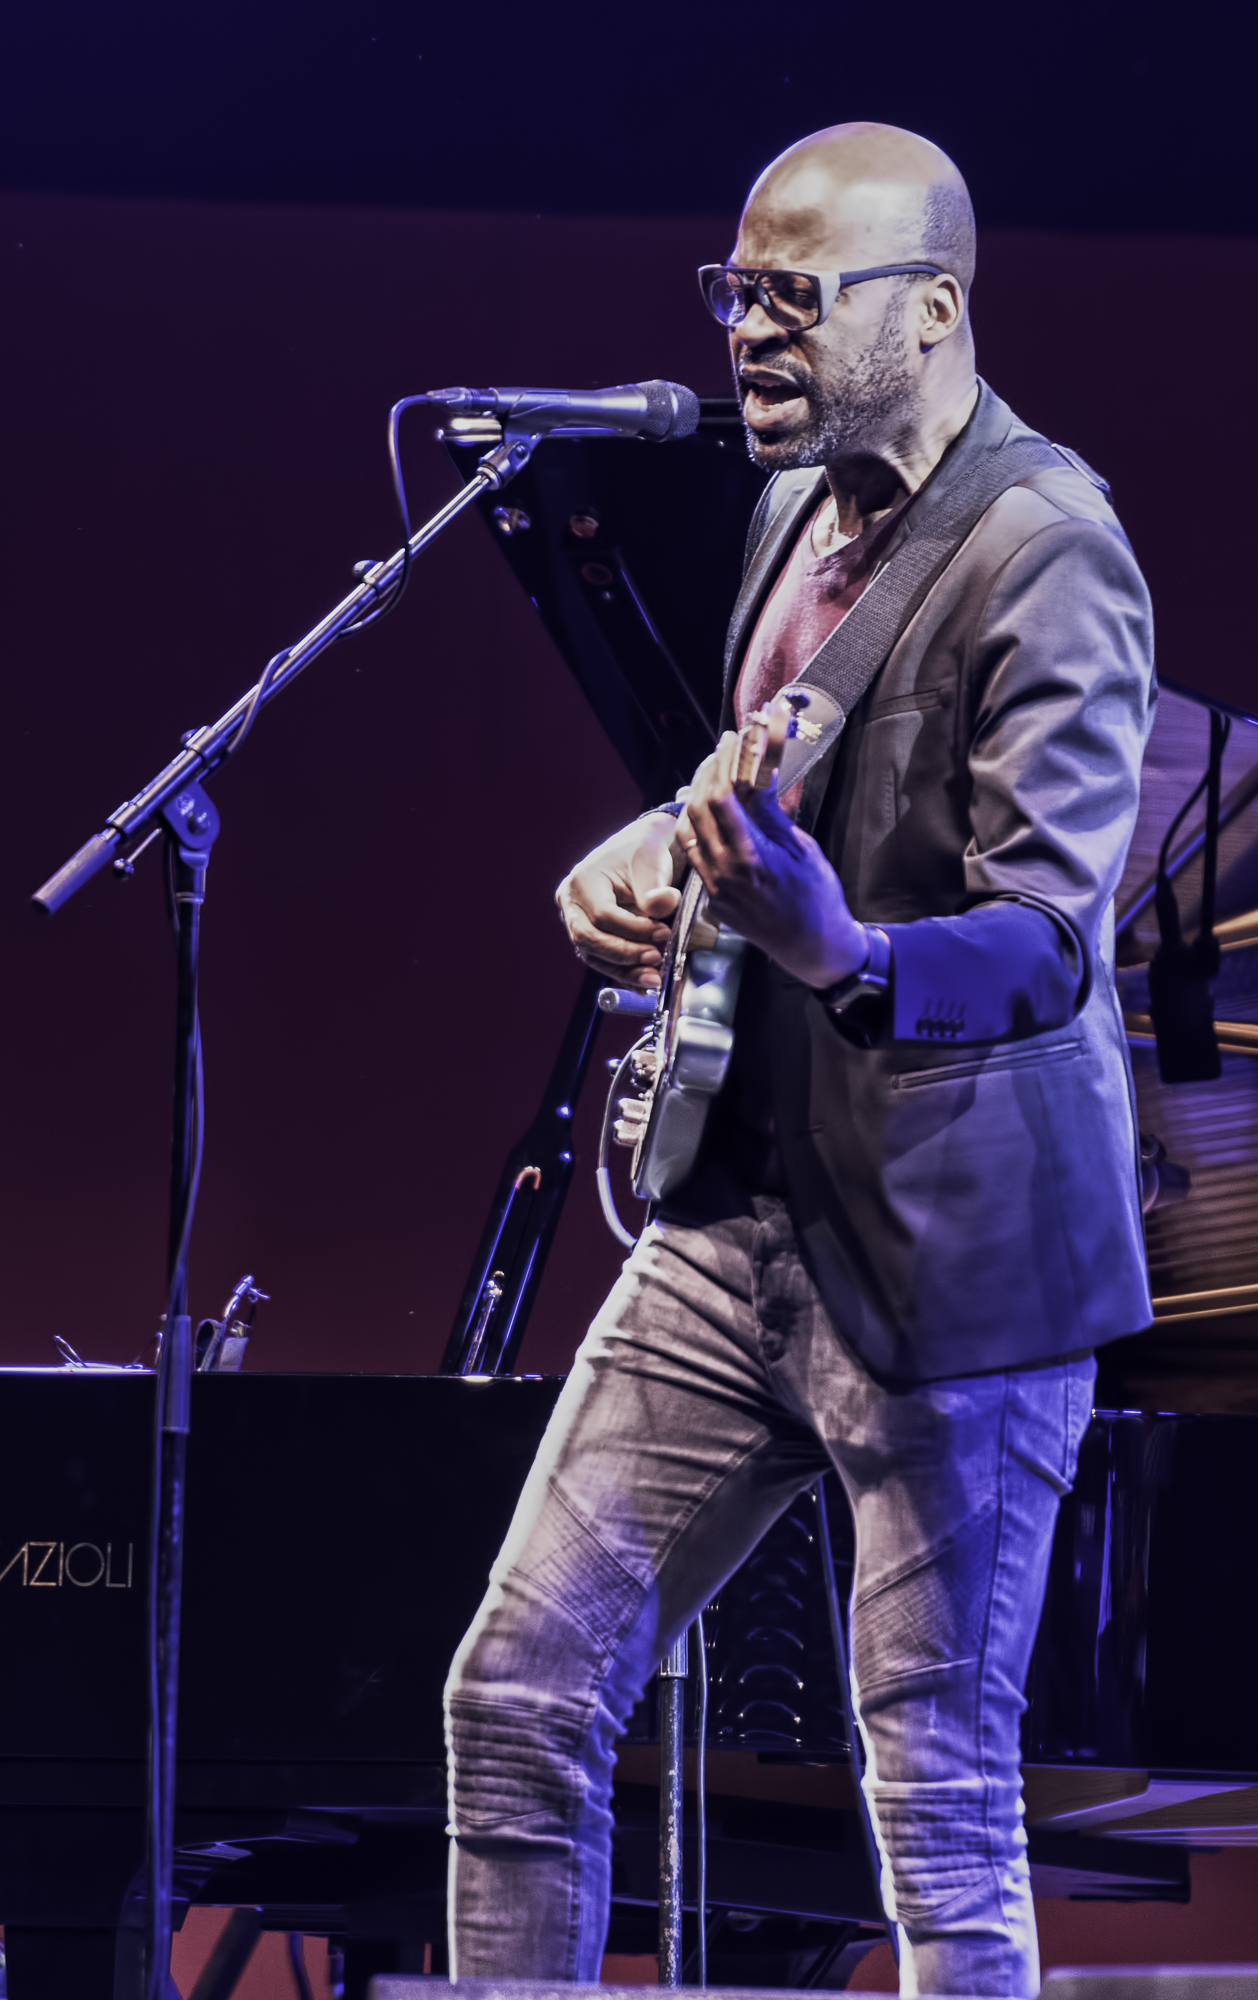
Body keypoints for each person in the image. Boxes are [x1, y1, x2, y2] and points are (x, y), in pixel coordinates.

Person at [443, 124, 1153, 1997]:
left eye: (786, 297)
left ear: (927, 309)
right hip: (730, 1219)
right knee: (511, 1695)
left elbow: (1046, 939)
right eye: (728, 293)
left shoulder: (1048, 549)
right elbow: (766, 755)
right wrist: (652, 840)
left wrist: (831, 947)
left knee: (929, 1783)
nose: (743, 334)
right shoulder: (794, 505)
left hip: (949, 1269)